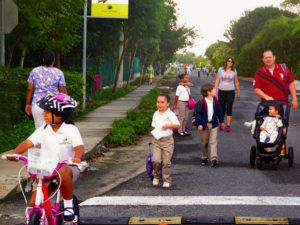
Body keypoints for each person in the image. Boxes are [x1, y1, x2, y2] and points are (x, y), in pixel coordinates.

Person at [8, 93, 84, 223]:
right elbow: (28, 143)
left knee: (63, 171)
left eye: (48, 112)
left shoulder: (71, 129)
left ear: (60, 115)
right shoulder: (43, 130)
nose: (44, 115)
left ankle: (68, 205)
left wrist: (77, 157)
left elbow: (79, 148)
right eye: (44, 112)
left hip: (68, 168)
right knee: (34, 203)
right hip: (46, 169)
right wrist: (15, 153)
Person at [25, 50, 67, 129]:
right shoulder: (59, 73)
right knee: (53, 131)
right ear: (54, 60)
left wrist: (27, 104)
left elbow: (29, 89)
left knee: (39, 131)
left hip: (37, 105)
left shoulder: (35, 71)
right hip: (53, 106)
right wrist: (66, 106)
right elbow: (63, 92)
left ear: (43, 60)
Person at [151, 94, 180, 189]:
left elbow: (177, 125)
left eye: (162, 102)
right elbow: (154, 126)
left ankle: (166, 179)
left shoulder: (170, 114)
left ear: (168, 104)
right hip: (157, 140)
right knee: (156, 160)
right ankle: (156, 176)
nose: (160, 104)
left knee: (166, 162)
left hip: (167, 141)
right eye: (158, 102)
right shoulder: (156, 113)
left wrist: (168, 126)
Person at [195, 83, 224, 167]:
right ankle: (204, 157)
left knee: (213, 141)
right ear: (208, 92)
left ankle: (214, 158)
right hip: (204, 125)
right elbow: (198, 114)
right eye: (213, 89)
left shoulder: (215, 100)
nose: (215, 91)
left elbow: (219, 111)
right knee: (204, 142)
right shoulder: (201, 102)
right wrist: (199, 124)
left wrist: (221, 121)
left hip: (214, 124)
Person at [214, 57, 240, 132]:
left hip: (231, 92)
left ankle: (228, 125)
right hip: (221, 91)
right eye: (228, 61)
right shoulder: (221, 69)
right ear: (226, 62)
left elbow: (236, 82)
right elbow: (217, 80)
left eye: (231, 61)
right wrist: (214, 90)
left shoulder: (234, 71)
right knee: (221, 108)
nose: (230, 62)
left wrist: (238, 92)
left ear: (233, 63)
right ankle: (222, 123)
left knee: (229, 107)